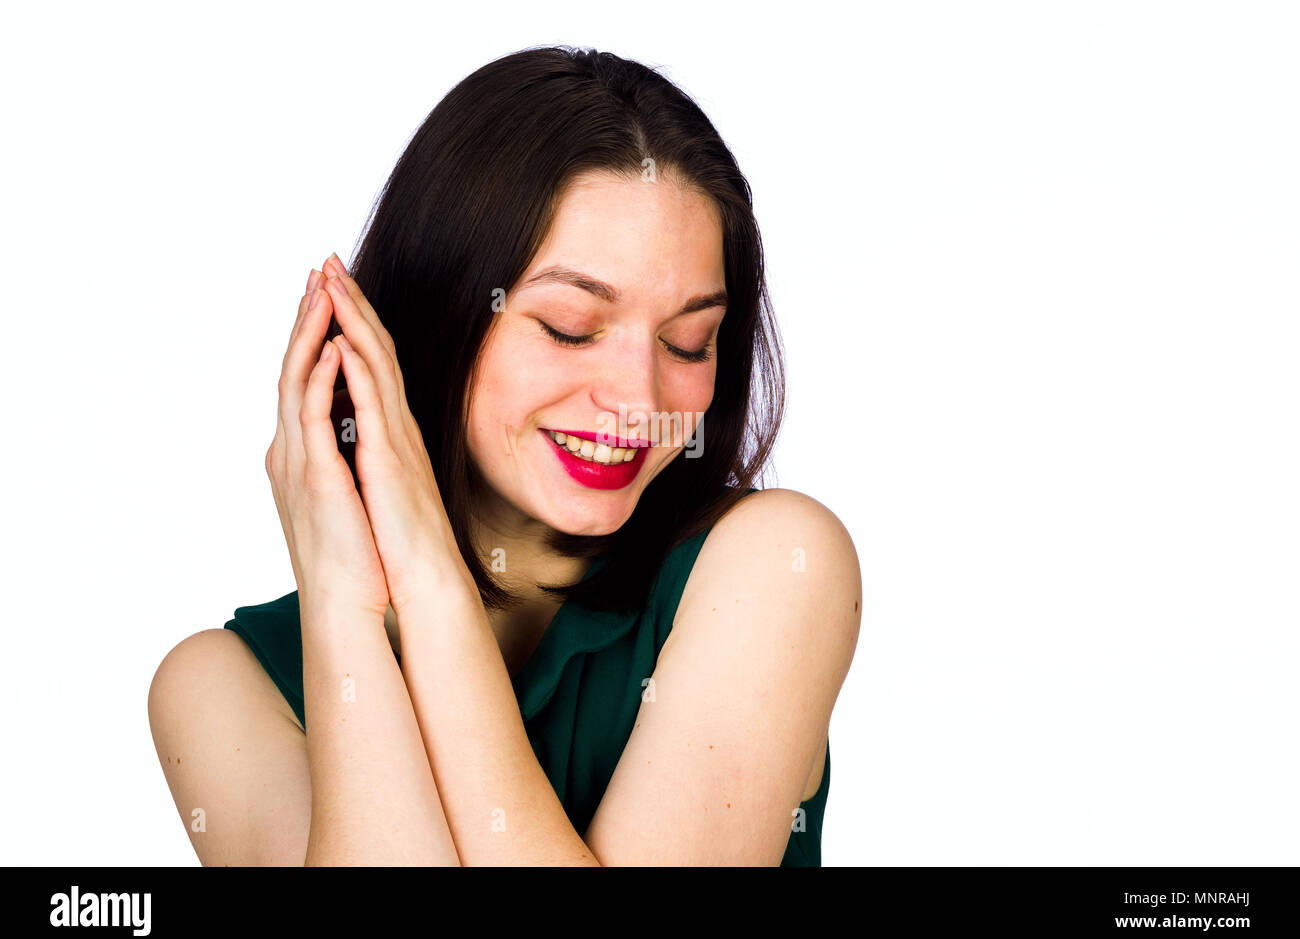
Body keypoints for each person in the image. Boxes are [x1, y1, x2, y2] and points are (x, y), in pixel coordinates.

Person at [148, 45, 861, 866]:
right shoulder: (222, 687)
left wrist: (429, 581)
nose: (640, 402)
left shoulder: (776, 565)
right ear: (442, 308)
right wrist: (344, 610)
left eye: (688, 341)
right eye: (569, 328)